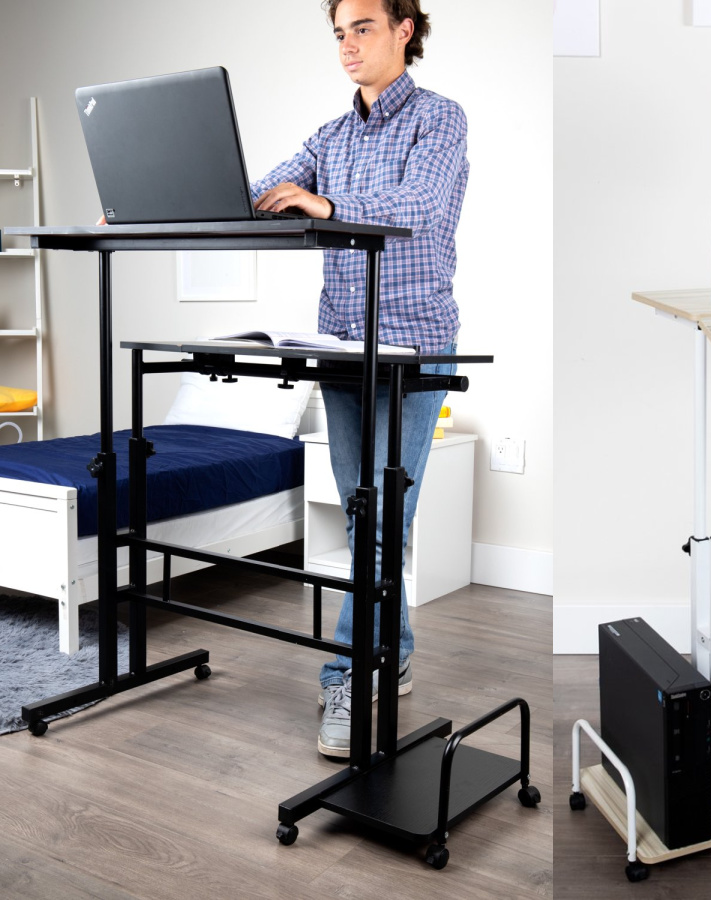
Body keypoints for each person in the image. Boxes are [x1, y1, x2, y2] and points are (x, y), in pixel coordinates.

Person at [251, 0, 468, 759]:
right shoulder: (330, 136)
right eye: (339, 32)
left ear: (405, 29)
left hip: (414, 346)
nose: (347, 45)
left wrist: (326, 203)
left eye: (363, 28)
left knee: (381, 520)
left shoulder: (439, 119)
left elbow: (418, 206)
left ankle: (351, 676)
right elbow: (264, 188)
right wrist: (152, 211)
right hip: (344, 346)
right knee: (362, 515)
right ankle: (394, 647)